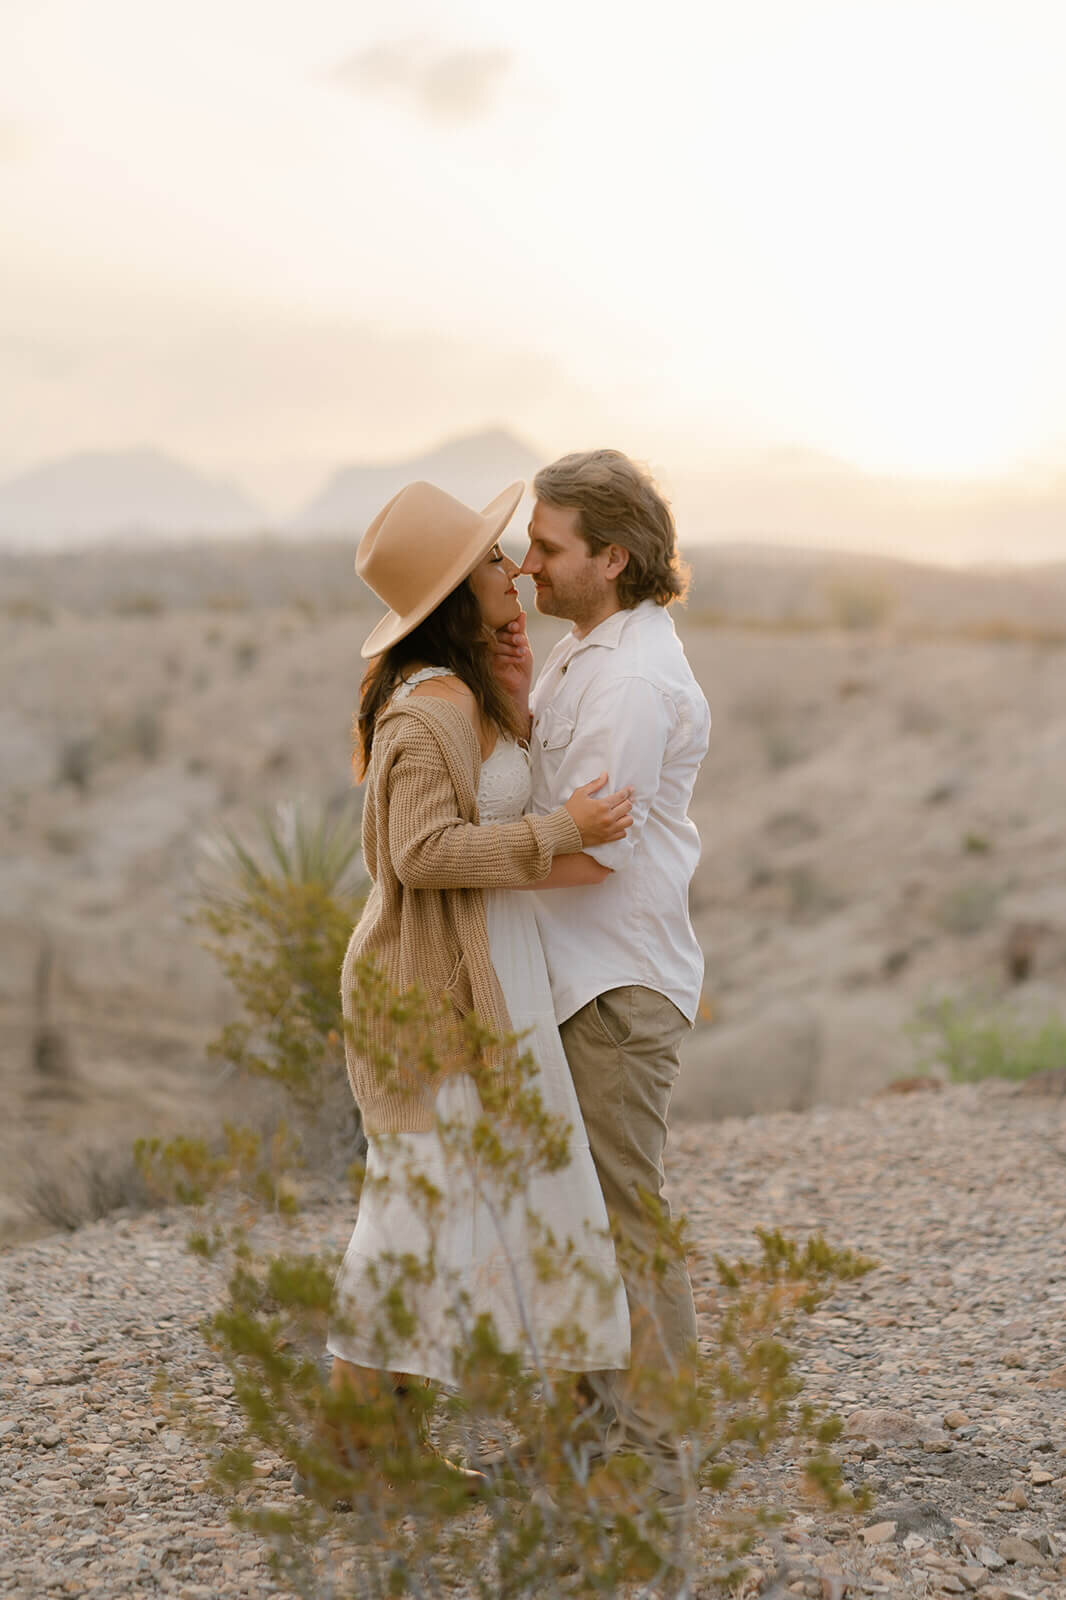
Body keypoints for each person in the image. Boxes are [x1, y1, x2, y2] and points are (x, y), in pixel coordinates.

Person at [324, 479, 632, 1478]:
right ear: (459, 590)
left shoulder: (461, 692)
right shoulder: (427, 708)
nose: (515, 569)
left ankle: (505, 1436)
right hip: (430, 993)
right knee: (412, 1210)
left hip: (487, 978)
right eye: (494, 559)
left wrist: (515, 679)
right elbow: (419, 853)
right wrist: (562, 834)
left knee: (465, 1202)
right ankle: (363, 1456)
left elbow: (489, 798)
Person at [495, 448, 711, 1504]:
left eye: (547, 546)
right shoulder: (592, 646)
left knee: (622, 1214)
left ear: (612, 557)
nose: (526, 563)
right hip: (578, 972)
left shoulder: (627, 676)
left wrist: (463, 864)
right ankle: (586, 1435)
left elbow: (594, 850)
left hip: (617, 986)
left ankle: (659, 1456)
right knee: (572, 1212)